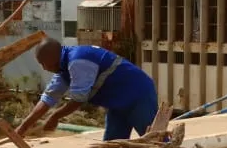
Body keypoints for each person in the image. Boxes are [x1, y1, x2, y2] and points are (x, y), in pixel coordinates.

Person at [15, 39, 160, 142]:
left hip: (138, 96)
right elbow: (47, 99)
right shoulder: (63, 68)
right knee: (113, 146)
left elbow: (79, 99)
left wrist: (54, 117)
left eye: (43, 63)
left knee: (155, 141)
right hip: (117, 104)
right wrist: (22, 127)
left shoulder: (78, 61)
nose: (43, 68)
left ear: (51, 58)